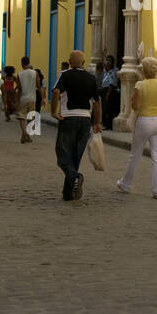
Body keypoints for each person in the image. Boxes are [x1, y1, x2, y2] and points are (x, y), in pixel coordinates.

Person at [51, 50, 102, 201]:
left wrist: (54, 111)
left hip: (68, 117)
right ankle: (68, 193)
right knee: (75, 156)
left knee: (62, 154)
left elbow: (55, 92)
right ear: (84, 62)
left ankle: (75, 176)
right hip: (85, 119)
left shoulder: (65, 74)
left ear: (69, 61)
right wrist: (97, 122)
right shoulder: (91, 78)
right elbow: (97, 102)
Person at [117, 56, 157, 199]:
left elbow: (136, 106)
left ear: (144, 70)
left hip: (144, 121)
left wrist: (134, 100)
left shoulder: (140, 85)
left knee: (135, 154)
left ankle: (126, 183)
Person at [17, 57, 39, 143]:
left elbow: (19, 89)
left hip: (23, 98)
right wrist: (43, 97)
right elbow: (38, 85)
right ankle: (28, 136)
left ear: (22, 63)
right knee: (30, 118)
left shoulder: (19, 74)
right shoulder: (35, 73)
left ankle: (23, 132)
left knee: (22, 117)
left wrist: (17, 101)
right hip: (32, 98)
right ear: (29, 63)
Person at [100, 54, 120, 129]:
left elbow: (113, 82)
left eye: (109, 60)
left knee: (109, 108)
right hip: (104, 89)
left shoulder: (115, 70)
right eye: (106, 60)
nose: (107, 62)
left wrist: (108, 94)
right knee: (104, 107)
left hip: (111, 90)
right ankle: (105, 123)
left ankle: (109, 125)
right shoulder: (105, 70)